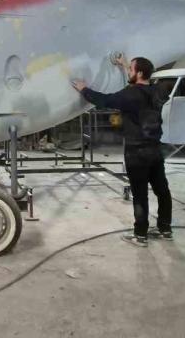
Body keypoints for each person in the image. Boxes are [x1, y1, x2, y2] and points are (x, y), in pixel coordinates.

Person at [72, 55, 172, 247]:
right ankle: (165, 229)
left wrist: (84, 89)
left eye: (131, 69)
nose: (129, 72)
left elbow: (104, 100)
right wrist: (126, 65)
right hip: (155, 150)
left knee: (140, 195)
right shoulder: (158, 91)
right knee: (162, 191)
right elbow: (141, 84)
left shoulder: (130, 95)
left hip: (136, 153)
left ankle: (140, 235)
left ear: (139, 73)